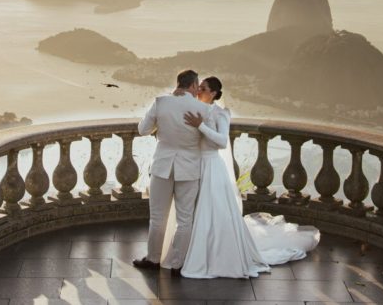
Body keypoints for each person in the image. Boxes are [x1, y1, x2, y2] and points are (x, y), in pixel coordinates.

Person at [179, 76, 320, 278]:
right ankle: (190, 251)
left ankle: (215, 255)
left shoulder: (221, 113)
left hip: (212, 166)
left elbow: (221, 142)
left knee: (212, 210)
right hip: (195, 165)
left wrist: (200, 125)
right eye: (198, 87)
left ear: (213, 93)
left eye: (203, 88)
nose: (199, 90)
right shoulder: (195, 109)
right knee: (192, 210)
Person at [133, 69, 211, 273]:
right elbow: (209, 140)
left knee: (157, 217)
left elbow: (142, 130)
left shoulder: (161, 102)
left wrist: (160, 126)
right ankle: (177, 264)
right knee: (185, 219)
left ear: (178, 83)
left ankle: (153, 259)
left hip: (162, 165)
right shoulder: (202, 109)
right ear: (193, 86)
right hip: (189, 167)